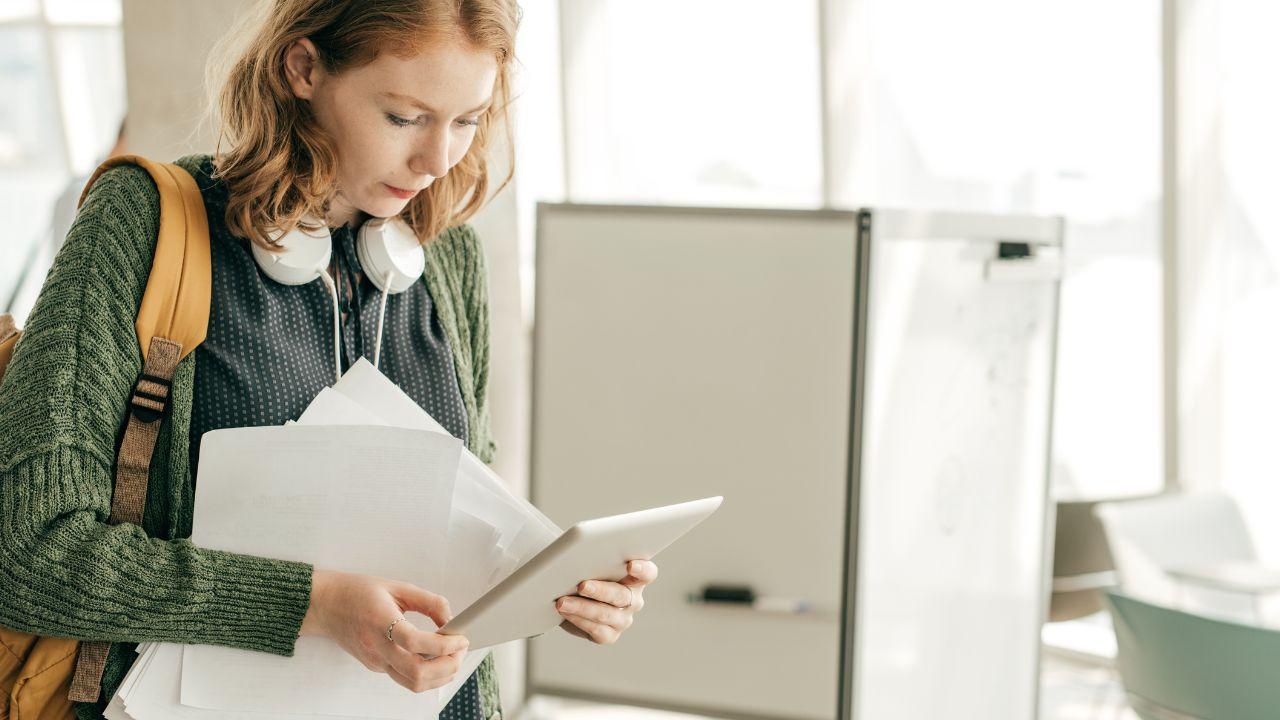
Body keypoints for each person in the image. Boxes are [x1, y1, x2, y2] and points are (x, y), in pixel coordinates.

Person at [0, 2, 657, 718]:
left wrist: (547, 587)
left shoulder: (447, 259)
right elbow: (29, 553)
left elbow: (464, 528)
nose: (438, 161)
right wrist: (313, 605)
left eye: (467, 120)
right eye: (405, 117)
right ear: (304, 68)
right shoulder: (147, 222)